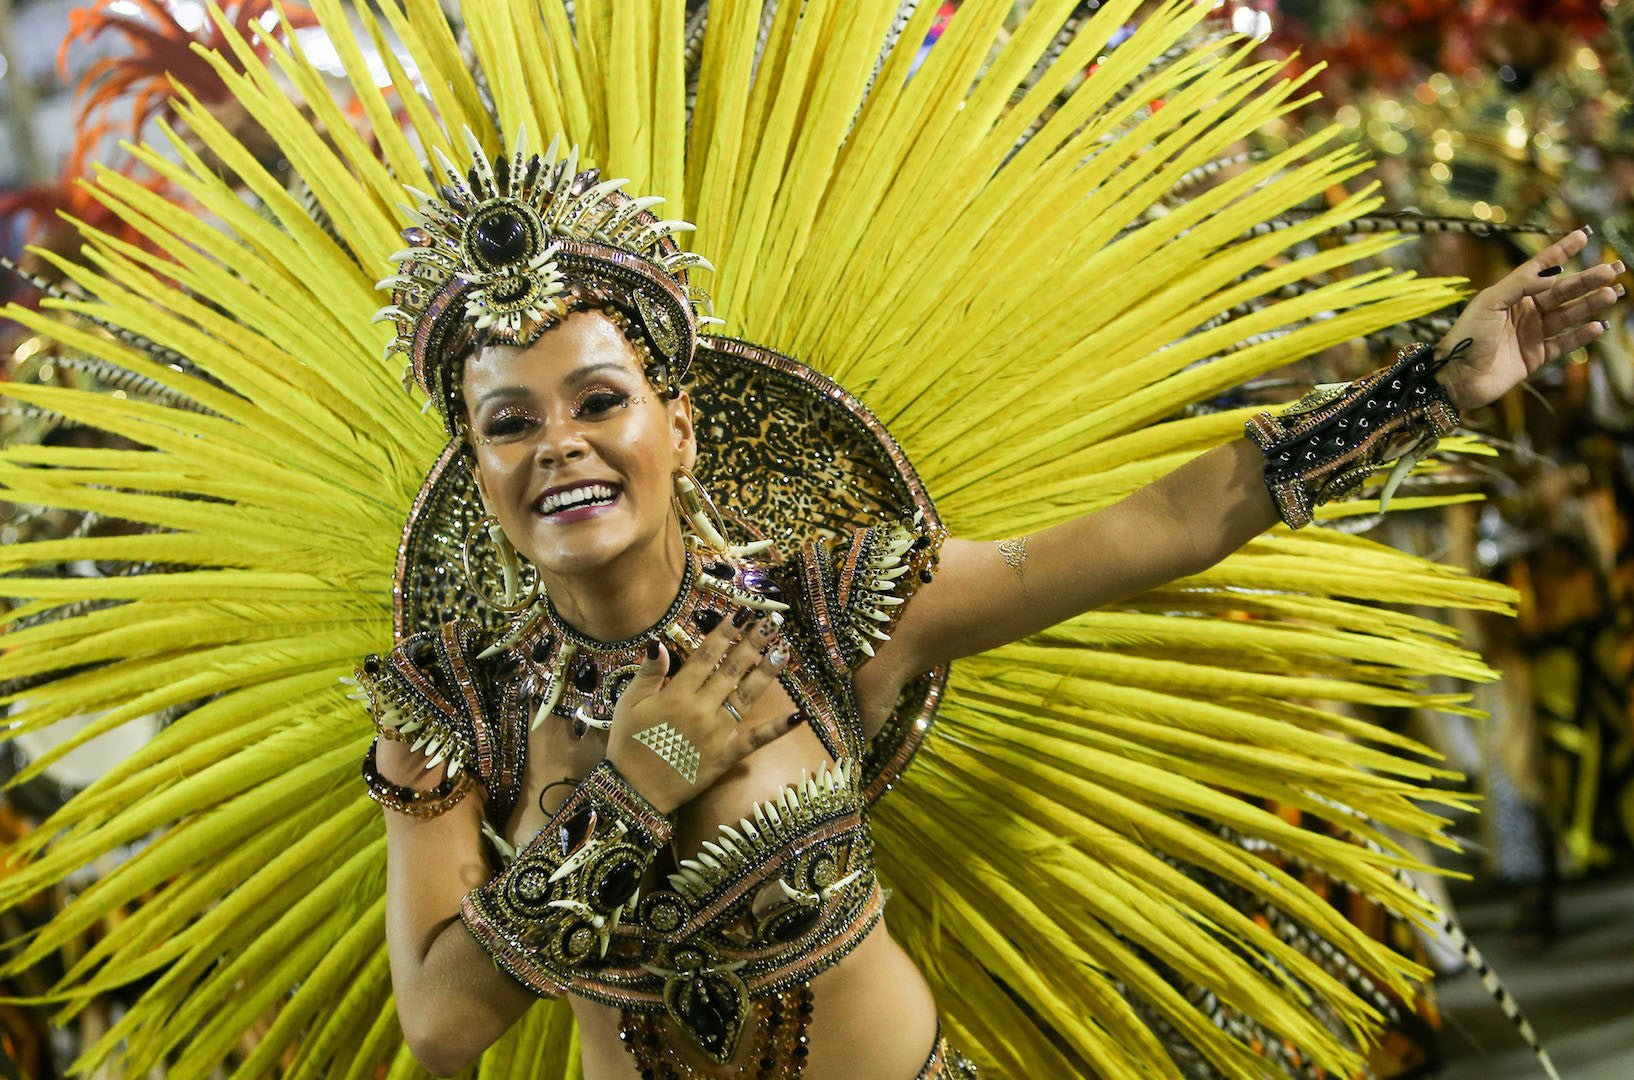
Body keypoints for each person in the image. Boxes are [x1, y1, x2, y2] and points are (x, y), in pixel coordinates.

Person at [0, 3, 1611, 1077]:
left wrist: (1430, 385)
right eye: (507, 421)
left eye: (598, 399)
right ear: (470, 465)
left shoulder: (839, 608)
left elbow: (1169, 523)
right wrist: (631, 780)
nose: (559, 445)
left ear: (677, 422)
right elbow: (438, 1020)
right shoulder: (453, 707)